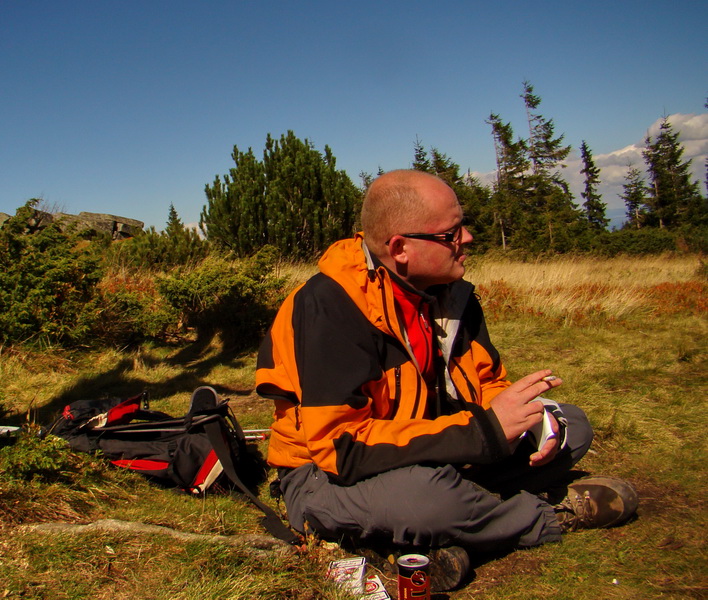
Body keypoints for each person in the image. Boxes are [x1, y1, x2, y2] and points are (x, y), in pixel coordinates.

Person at [256, 170, 637, 590]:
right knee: (424, 497)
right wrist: (484, 434)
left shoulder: (451, 294)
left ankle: (451, 534)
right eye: (451, 233)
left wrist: (534, 419)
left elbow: (488, 383)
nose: (468, 238)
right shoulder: (330, 307)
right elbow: (342, 449)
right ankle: (544, 516)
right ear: (400, 247)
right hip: (325, 477)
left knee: (573, 425)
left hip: (432, 451)